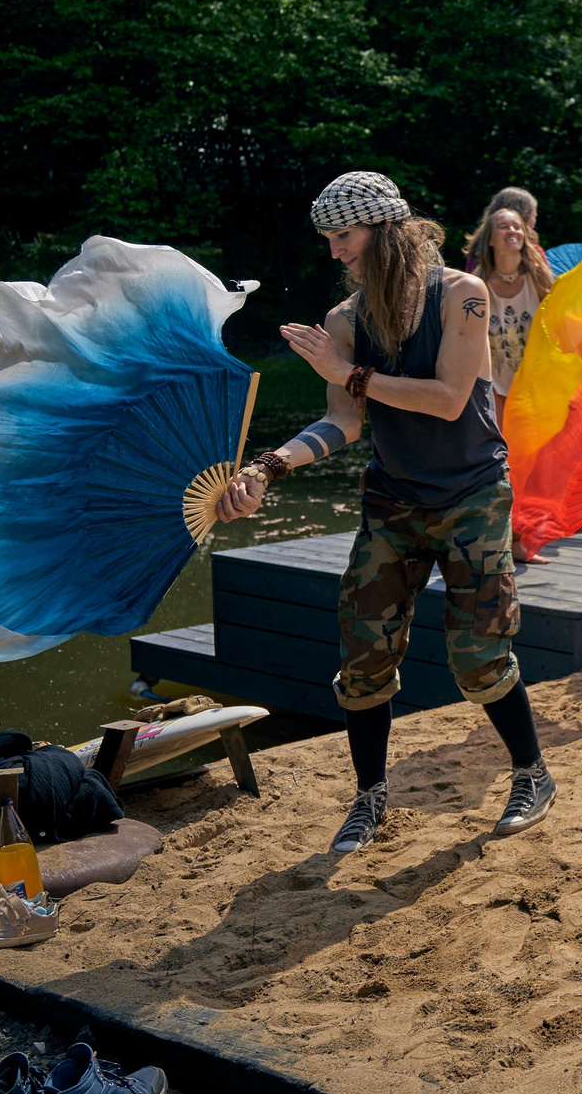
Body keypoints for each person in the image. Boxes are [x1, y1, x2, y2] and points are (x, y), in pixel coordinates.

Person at [215, 171, 555, 852]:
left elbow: (449, 399)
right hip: (393, 498)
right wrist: (267, 467)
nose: (335, 250)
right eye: (328, 239)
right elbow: (343, 421)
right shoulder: (345, 321)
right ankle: (369, 797)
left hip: (472, 494)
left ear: (386, 228)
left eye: (344, 235)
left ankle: (532, 773)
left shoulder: (463, 294)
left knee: (478, 658)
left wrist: (349, 374)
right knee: (362, 659)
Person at [463, 196, 554, 423]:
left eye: (517, 226)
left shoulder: (540, 278)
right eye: (504, 226)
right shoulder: (476, 285)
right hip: (494, 387)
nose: (512, 231)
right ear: (490, 239)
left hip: (538, 385)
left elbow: (558, 324)